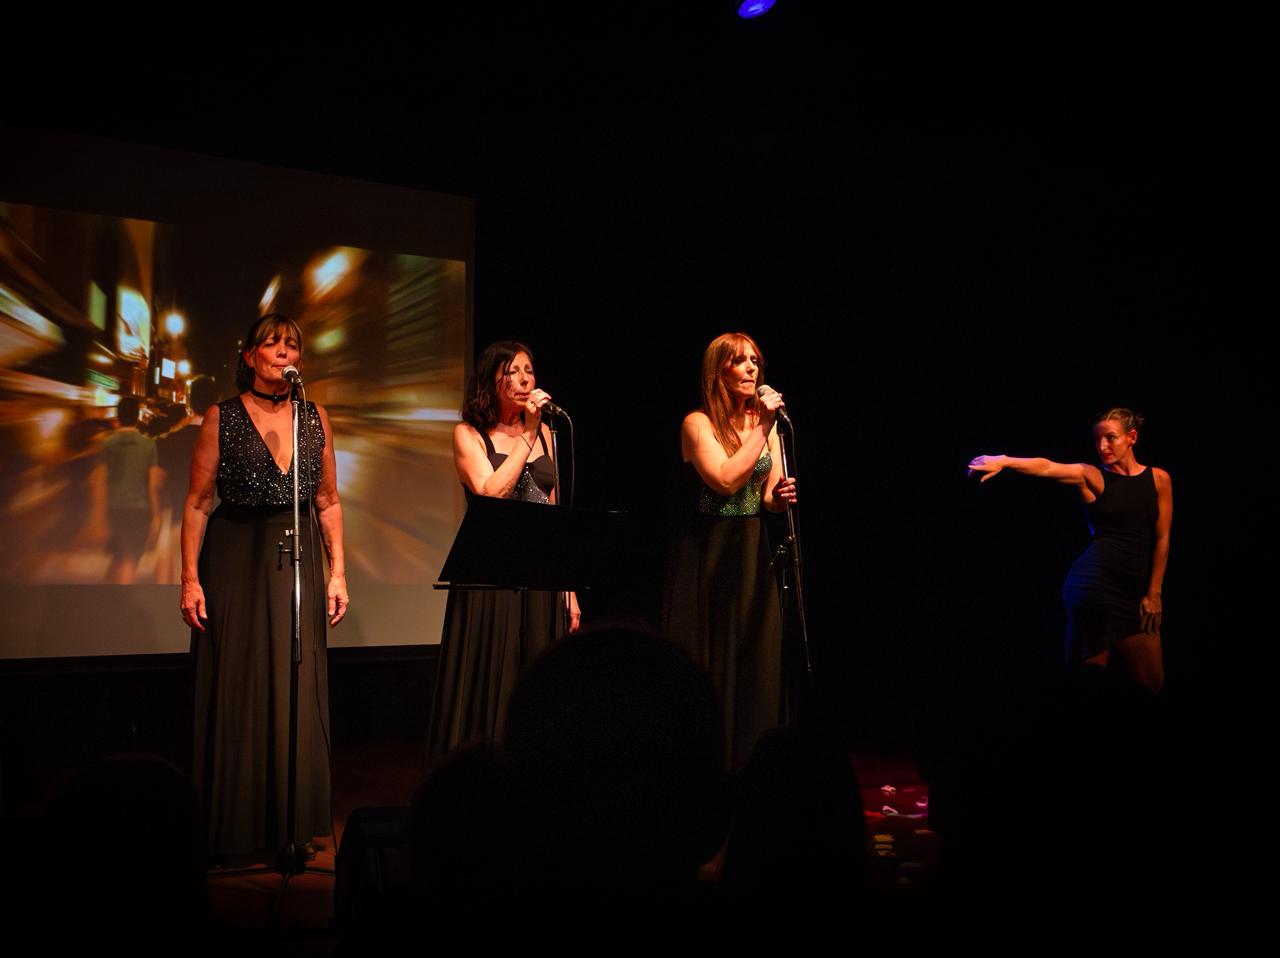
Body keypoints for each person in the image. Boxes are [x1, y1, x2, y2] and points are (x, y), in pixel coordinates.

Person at [180, 313, 348, 862]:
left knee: (294, 682)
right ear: (249, 355)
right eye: (272, 344)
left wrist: (338, 571)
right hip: (235, 558)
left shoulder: (314, 417)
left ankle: (291, 824)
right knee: (242, 680)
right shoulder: (222, 417)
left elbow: (327, 500)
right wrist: (190, 579)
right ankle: (234, 826)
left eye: (291, 345)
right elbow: (198, 503)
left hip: (296, 556)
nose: (283, 353)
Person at [425, 341, 580, 769]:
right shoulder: (468, 433)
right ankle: (479, 772)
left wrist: (568, 588)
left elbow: (554, 513)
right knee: (489, 675)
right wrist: (527, 435)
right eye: (513, 372)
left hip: (540, 575)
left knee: (536, 679)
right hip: (489, 574)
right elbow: (491, 493)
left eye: (529, 370)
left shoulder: (547, 432)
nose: (525, 380)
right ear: (491, 380)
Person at [662, 332, 797, 768]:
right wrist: (762, 429)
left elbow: (767, 496)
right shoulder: (697, 423)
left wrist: (781, 495)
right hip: (707, 554)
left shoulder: (764, 425)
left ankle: (751, 764)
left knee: (755, 661)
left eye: (755, 360)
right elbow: (724, 480)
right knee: (710, 662)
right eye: (740, 361)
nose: (751, 368)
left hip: (751, 550)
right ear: (718, 371)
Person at [967, 408, 1172, 692]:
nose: (1102, 446)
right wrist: (1004, 461)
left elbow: (1162, 539)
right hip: (1094, 586)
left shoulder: (1159, 479)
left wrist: (1154, 592)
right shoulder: (1091, 476)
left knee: (1152, 681)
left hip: (1133, 590)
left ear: (1131, 438)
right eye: (1097, 439)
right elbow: (1047, 467)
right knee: (1088, 680)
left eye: (1110, 438)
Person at [90, 394, 162, 583]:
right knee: (130, 561)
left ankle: (112, 593)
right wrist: (156, 515)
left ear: (118, 416)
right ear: (137, 416)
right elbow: (152, 485)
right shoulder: (149, 445)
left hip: (113, 510)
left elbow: (99, 482)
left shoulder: (107, 444)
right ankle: (122, 596)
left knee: (118, 558)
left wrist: (98, 517)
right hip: (140, 511)